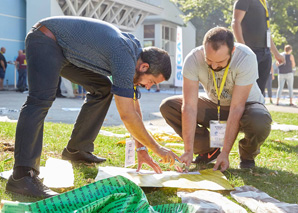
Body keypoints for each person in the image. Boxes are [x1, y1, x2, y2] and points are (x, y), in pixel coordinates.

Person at [6, 16, 179, 198]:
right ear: (144, 66)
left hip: (66, 51)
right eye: (151, 81)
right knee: (39, 100)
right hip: (46, 39)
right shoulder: (124, 57)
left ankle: (77, 150)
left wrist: (142, 149)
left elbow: (134, 109)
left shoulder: (133, 54)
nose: (150, 87)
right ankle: (22, 176)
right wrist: (158, 149)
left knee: (103, 88)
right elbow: (127, 115)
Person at [160, 27, 272, 173]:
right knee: (169, 106)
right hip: (215, 105)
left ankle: (247, 154)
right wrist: (188, 150)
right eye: (208, 60)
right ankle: (209, 150)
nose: (213, 66)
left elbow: (237, 107)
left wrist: (226, 152)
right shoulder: (193, 59)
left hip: (246, 107)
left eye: (219, 62)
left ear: (232, 52)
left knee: (260, 119)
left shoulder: (245, 57)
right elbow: (189, 107)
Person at [232, 0, 285, 94]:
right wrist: (244, 49)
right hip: (250, 52)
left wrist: (276, 53)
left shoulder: (264, 2)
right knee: (245, 93)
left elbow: (266, 31)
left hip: (266, 53)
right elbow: (236, 22)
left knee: (259, 94)